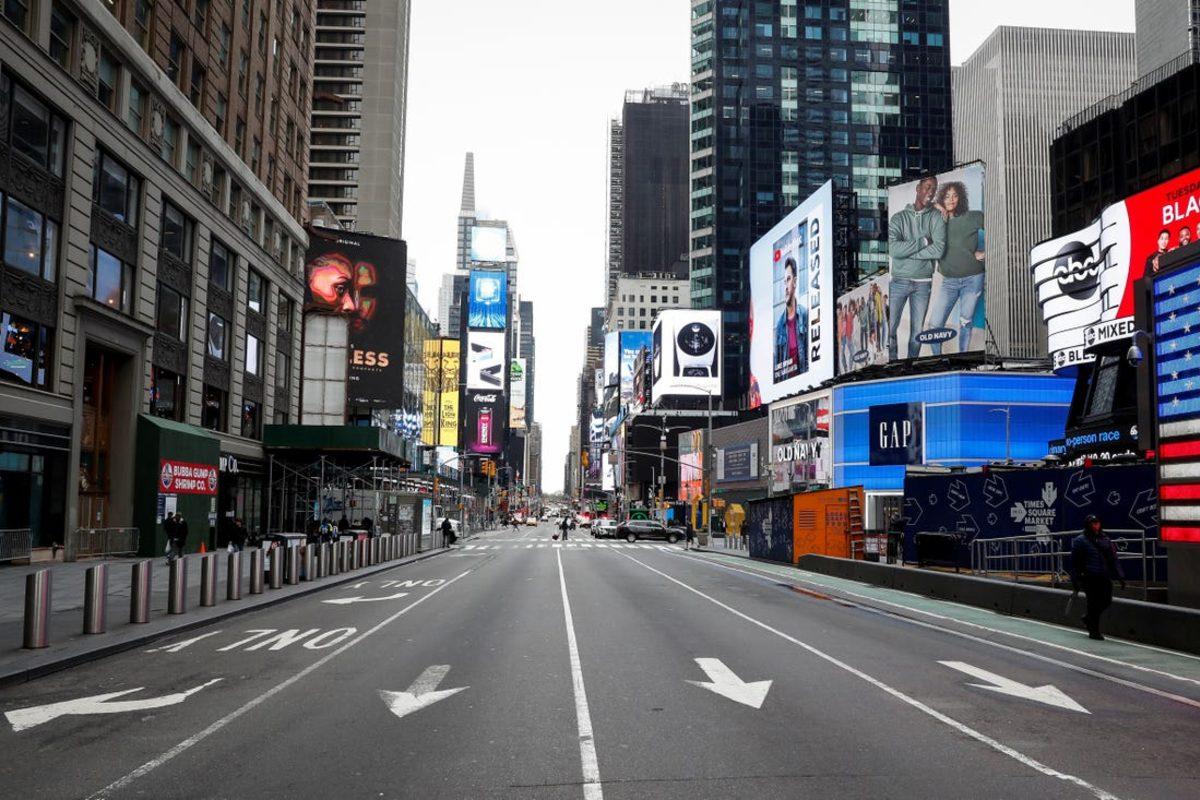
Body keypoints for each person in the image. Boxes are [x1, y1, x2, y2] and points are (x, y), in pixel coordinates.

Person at [888, 175, 945, 360]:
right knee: (890, 328)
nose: (931, 192)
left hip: (923, 283)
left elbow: (939, 249)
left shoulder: (936, 217)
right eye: (928, 187)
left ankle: (911, 368)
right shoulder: (898, 218)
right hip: (898, 281)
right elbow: (894, 249)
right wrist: (923, 241)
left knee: (917, 334)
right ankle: (893, 365)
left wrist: (909, 253)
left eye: (934, 188)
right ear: (918, 188)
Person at [926, 181, 986, 355]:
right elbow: (921, 204)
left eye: (955, 195)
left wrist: (986, 253)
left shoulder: (973, 217)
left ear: (960, 197)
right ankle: (938, 361)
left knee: (965, 322)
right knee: (933, 326)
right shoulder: (936, 224)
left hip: (973, 279)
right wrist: (936, 208)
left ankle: (963, 359)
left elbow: (1000, 230)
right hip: (949, 282)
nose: (951, 200)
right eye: (946, 196)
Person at [1070, 514, 1125, 641]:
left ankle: (1088, 618)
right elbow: (1075, 562)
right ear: (1087, 525)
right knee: (1093, 604)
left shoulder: (1105, 540)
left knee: (1106, 601)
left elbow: (1113, 559)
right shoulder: (1080, 541)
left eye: (1097, 523)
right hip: (1089, 577)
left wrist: (1120, 576)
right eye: (1093, 524)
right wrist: (1076, 579)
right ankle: (1094, 631)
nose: (1096, 526)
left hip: (1104, 576)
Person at [774, 258, 809, 378]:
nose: (785, 287)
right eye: (784, 282)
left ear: (794, 282)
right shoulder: (779, 326)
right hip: (787, 389)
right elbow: (777, 366)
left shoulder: (805, 315)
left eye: (788, 279)